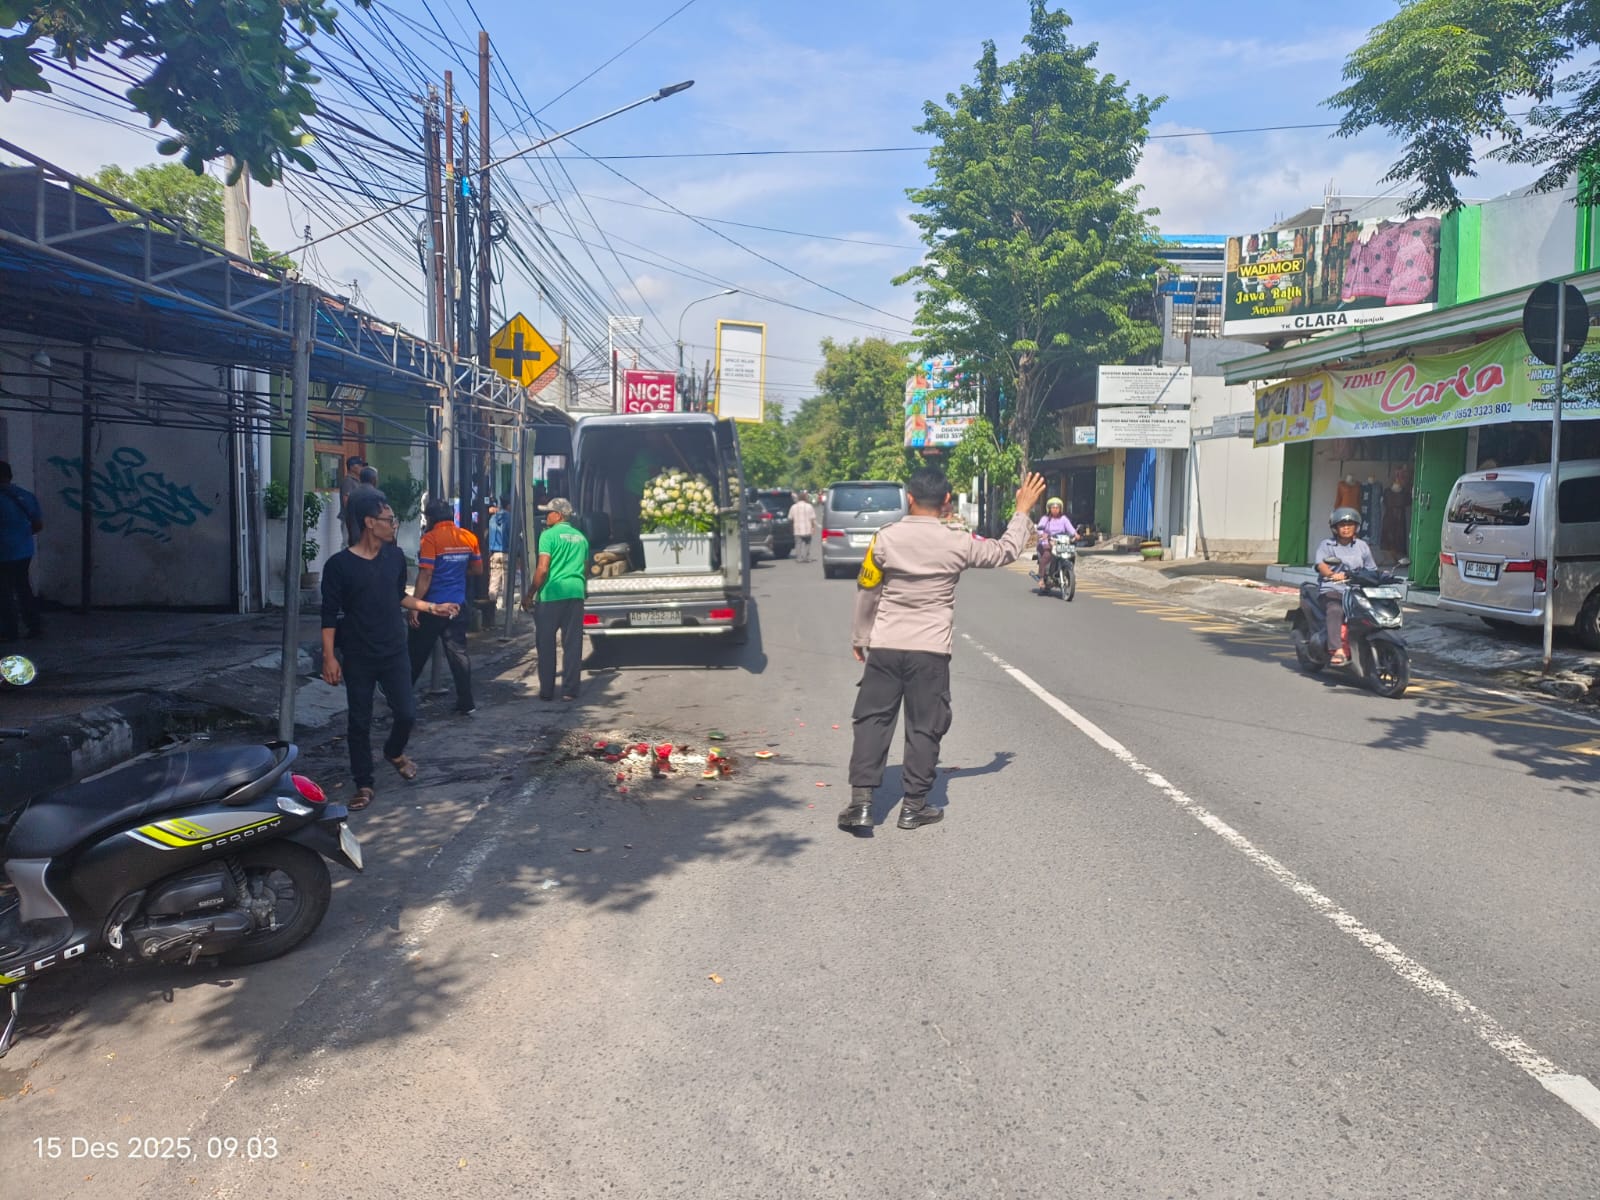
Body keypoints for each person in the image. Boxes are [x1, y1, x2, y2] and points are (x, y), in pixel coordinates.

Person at [840, 467, 1047, 832]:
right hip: (930, 652)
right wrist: (1022, 509)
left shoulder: (884, 539)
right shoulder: (958, 541)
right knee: (924, 727)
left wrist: (861, 637)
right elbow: (1006, 551)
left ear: (909, 498)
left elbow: (868, 588)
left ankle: (861, 805)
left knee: (873, 720)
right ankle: (914, 807)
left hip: (886, 646)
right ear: (947, 502)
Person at [321, 491, 456, 810]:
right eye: (388, 519)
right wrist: (329, 656)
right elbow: (329, 615)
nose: (394, 524)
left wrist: (429, 606)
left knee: (406, 713)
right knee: (359, 721)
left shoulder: (394, 557)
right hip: (357, 653)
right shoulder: (339, 566)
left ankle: (394, 751)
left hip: (394, 648)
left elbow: (398, 595)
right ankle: (364, 784)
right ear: (370, 523)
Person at [409, 498, 481, 715]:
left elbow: (426, 574)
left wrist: (415, 606)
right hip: (457, 606)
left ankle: (401, 700)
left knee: (415, 655)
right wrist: (457, 572)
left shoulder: (429, 539)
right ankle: (466, 703)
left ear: (430, 518)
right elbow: (477, 570)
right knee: (458, 654)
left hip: (432, 607)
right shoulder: (469, 537)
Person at [520, 498, 591, 702]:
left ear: (559, 515)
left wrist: (530, 593)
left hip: (551, 595)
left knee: (546, 644)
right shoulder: (581, 538)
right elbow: (585, 569)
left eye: (549, 512)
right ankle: (570, 691)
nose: (546, 516)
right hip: (575, 594)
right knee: (572, 645)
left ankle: (547, 691)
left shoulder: (548, 536)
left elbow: (542, 568)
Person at [1314, 506, 1377, 666]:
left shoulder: (1362, 546)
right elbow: (1320, 565)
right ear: (1335, 528)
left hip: (1356, 590)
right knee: (1336, 610)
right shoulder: (1327, 545)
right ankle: (1337, 650)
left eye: (1350, 524)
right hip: (1333, 589)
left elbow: (1371, 568)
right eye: (1342, 525)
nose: (1346, 528)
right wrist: (1331, 575)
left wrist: (1384, 576)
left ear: (1356, 527)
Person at [0, 460, 44, 643]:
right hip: (24, 551)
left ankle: (9, 630)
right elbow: (38, 524)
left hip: (3, 552)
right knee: (23, 588)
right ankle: (34, 625)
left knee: (4, 592)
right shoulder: (26, 496)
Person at [1035, 497, 1077, 592]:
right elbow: (1039, 529)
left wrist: (1076, 534)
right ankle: (1042, 577)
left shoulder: (1064, 519)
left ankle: (1068, 572)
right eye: (1053, 507)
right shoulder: (1045, 519)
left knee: (1071, 554)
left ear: (1060, 509)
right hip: (1047, 543)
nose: (1055, 509)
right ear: (1049, 508)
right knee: (1047, 555)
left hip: (1061, 542)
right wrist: (1043, 534)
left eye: (1057, 507)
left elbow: (1071, 529)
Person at [485, 497, 510, 611]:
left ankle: (491, 605)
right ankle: (506, 606)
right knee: (507, 582)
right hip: (507, 552)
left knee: (494, 580)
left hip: (494, 553)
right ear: (509, 505)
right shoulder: (510, 518)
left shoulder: (492, 519)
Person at [337, 455, 368, 546]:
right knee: (348, 544)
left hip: (357, 519)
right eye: (360, 465)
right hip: (350, 519)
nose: (362, 468)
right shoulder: (348, 481)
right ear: (352, 467)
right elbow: (347, 500)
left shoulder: (358, 481)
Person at [790, 490, 816, 562]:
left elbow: (790, 518)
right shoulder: (809, 506)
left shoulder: (793, 507)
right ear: (805, 498)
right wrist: (813, 527)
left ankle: (799, 558)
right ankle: (806, 557)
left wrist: (792, 526)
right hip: (807, 529)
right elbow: (812, 518)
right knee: (807, 543)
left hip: (797, 529)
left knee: (798, 544)